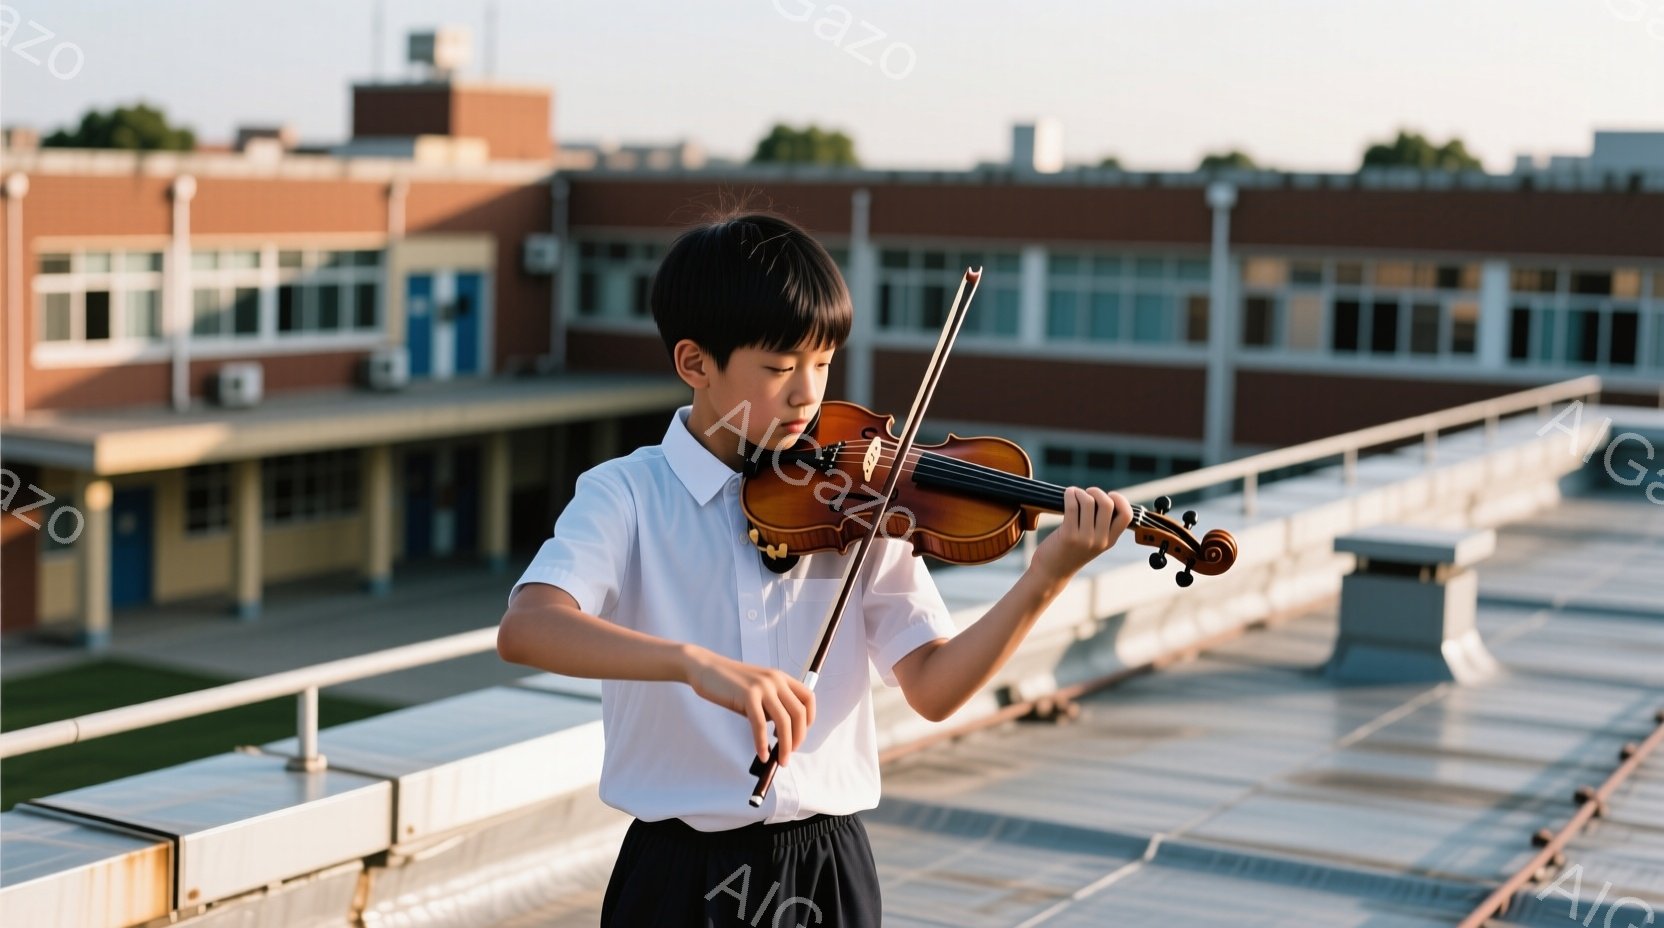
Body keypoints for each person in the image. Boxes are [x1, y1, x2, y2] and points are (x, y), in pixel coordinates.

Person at [496, 211, 1133, 926]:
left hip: (828, 870)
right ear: (694, 364)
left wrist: (1044, 577)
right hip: (679, 877)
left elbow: (933, 687)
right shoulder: (627, 495)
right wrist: (694, 664)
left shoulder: (859, 499)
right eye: (779, 368)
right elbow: (529, 628)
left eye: (823, 362)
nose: (809, 394)